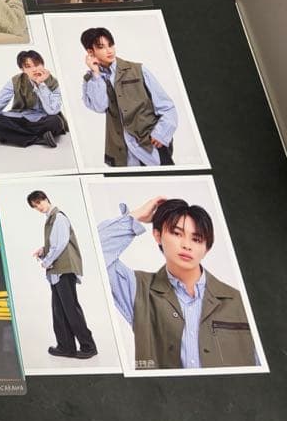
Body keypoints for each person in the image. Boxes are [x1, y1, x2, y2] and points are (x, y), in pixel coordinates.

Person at [98, 196, 257, 370]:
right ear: (157, 235)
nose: (187, 245)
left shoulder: (238, 301)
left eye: (196, 239)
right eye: (177, 233)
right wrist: (135, 217)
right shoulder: (138, 289)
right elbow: (95, 250)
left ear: (207, 248)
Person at [80, 27, 178, 167]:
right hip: (121, 153)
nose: (109, 50)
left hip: (149, 145)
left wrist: (161, 134)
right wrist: (96, 75)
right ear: (90, 52)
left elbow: (167, 106)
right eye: (101, 47)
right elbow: (100, 106)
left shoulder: (137, 70)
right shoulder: (91, 79)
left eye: (110, 45)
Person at [26, 190, 97, 359]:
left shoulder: (58, 217)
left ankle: (88, 347)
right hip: (58, 271)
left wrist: (46, 261)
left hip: (64, 270)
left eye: (39, 203)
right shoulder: (51, 219)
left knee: (71, 310)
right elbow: (55, 243)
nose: (38, 207)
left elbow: (61, 244)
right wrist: (43, 250)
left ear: (46, 199)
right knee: (59, 310)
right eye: (35, 206)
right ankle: (66, 347)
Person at [0, 50, 68, 151]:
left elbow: (52, 110)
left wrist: (41, 84)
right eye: (28, 67)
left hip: (43, 119)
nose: (34, 69)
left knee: (56, 122)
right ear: (22, 69)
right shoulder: (15, 81)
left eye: (37, 64)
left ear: (43, 65)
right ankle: (39, 139)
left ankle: (9, 136)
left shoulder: (54, 83)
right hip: (21, 117)